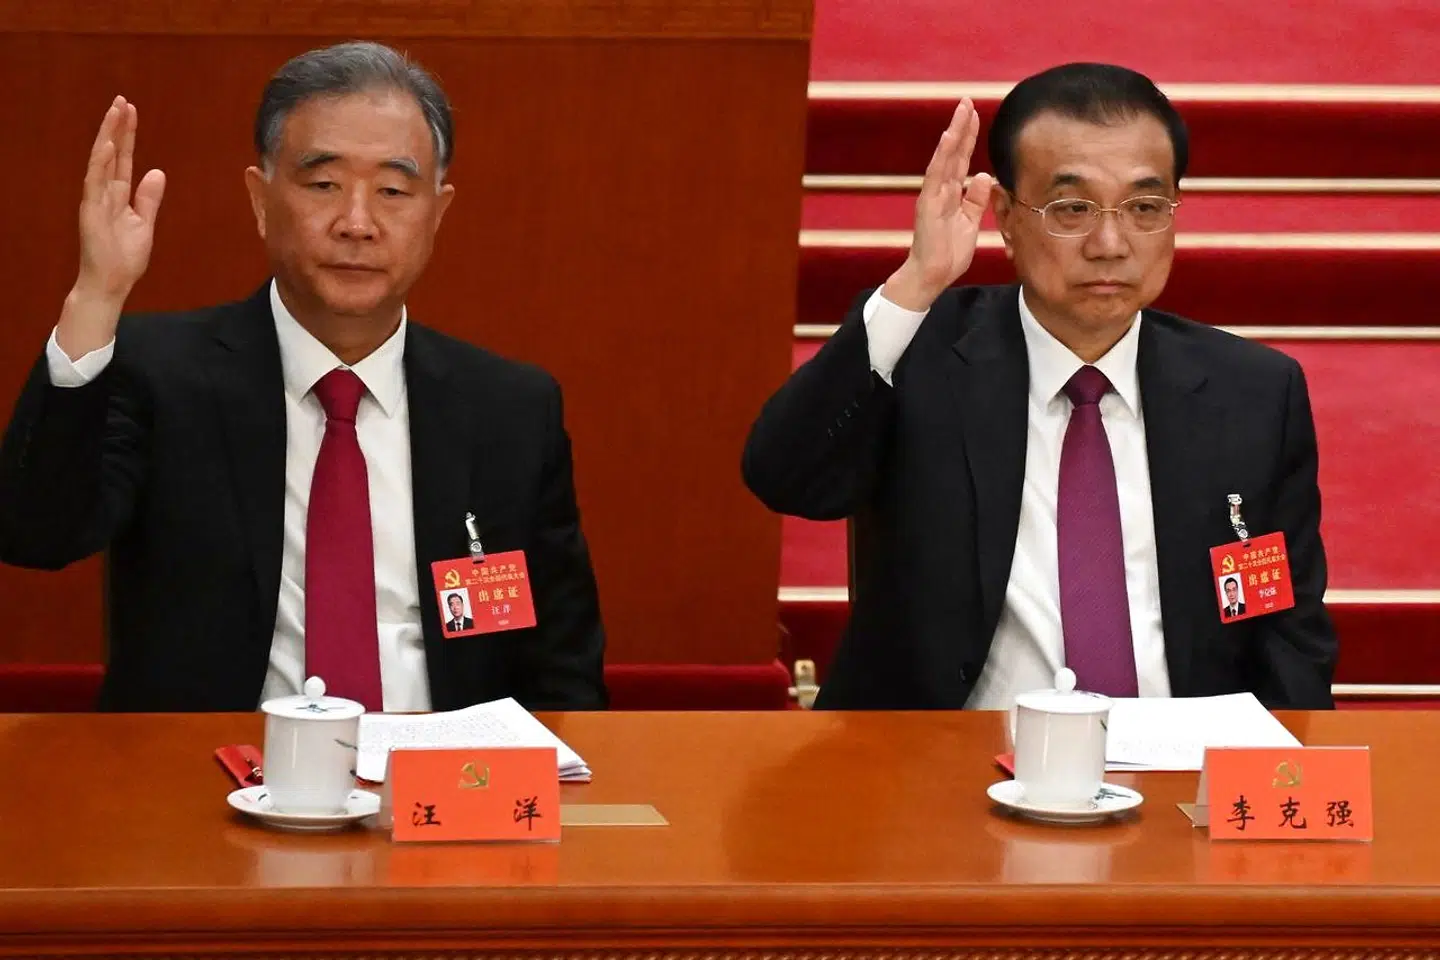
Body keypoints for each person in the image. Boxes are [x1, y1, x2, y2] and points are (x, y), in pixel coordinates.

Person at [0, 42, 607, 713]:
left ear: (437, 213)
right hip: (203, 787)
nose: (356, 223)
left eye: (394, 192)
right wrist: (96, 297)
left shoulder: (509, 411)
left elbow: (562, 671)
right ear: (261, 201)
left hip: (442, 795)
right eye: (323, 185)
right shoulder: (160, 373)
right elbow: (36, 534)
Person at [743, 62, 1336, 711]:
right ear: (1004, 214)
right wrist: (917, 280)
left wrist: (1282, 778)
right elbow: (783, 475)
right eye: (1072, 208)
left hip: (1176, 764)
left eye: (1144, 208)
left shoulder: (1251, 393)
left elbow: (1283, 621)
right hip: (942, 771)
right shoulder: (925, 353)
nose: (1109, 243)